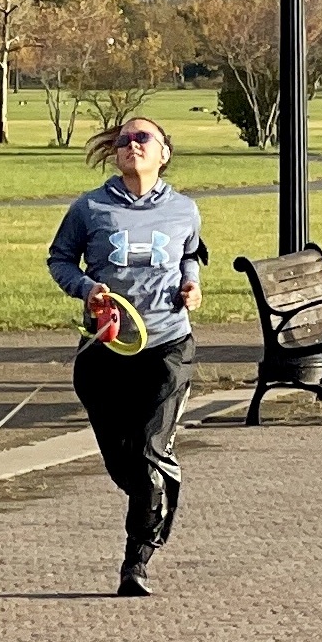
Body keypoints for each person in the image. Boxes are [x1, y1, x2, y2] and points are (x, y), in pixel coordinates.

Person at [45, 114, 205, 594]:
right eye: (123, 141)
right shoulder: (90, 207)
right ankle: (159, 489)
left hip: (167, 347)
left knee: (150, 450)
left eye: (143, 139)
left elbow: (191, 253)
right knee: (126, 464)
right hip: (105, 352)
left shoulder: (184, 209)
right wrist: (87, 287)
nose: (132, 146)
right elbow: (59, 259)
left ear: (164, 153)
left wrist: (192, 283)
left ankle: (136, 563)